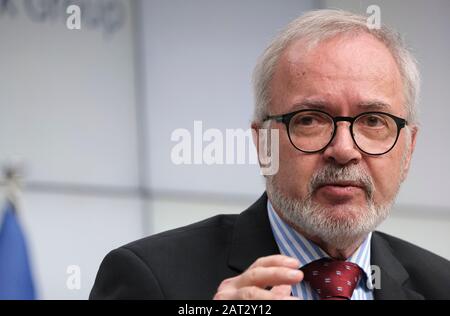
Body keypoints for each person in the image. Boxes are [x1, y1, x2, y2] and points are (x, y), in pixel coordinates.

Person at [90, 9, 450, 300]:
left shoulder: (441, 285)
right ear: (263, 144)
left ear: (409, 149)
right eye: (309, 119)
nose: (343, 150)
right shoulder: (148, 278)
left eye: (373, 120)